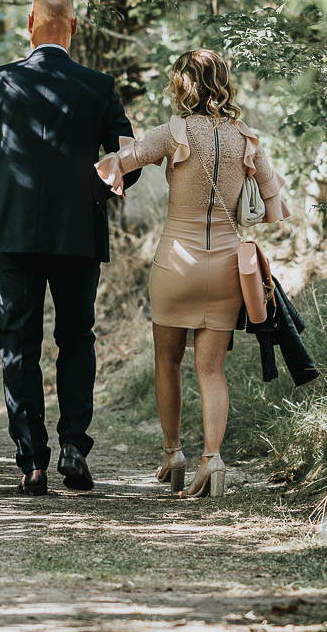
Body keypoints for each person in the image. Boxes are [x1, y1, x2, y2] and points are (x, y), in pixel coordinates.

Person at [0, 0, 139, 495]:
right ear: (74, 27)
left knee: (19, 343)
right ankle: (74, 446)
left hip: (12, 235)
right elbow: (128, 161)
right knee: (77, 338)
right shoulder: (97, 86)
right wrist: (92, 188)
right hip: (77, 235)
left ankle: (32, 461)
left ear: (29, 24)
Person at [94, 49, 287, 498]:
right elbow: (273, 210)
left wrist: (111, 170)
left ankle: (172, 453)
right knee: (212, 369)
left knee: (168, 361)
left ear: (183, 86)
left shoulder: (171, 132)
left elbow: (116, 165)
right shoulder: (248, 140)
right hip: (225, 269)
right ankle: (212, 461)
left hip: (174, 264)